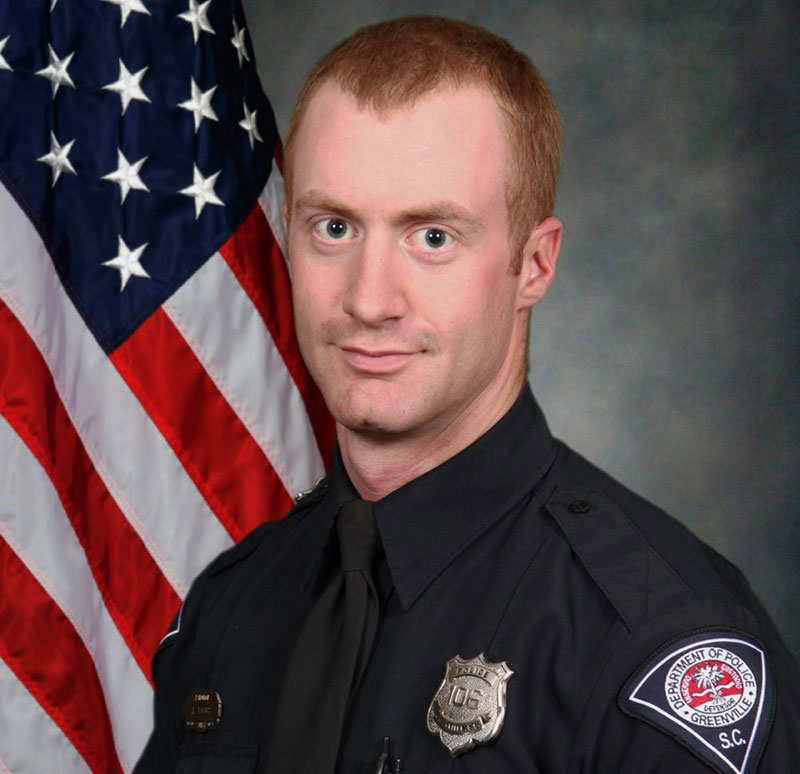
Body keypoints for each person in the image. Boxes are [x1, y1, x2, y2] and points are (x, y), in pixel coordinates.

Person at [134, 15, 799, 774]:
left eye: (433, 237)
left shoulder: (651, 641)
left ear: (534, 265)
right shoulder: (231, 606)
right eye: (334, 227)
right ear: (286, 233)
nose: (369, 300)